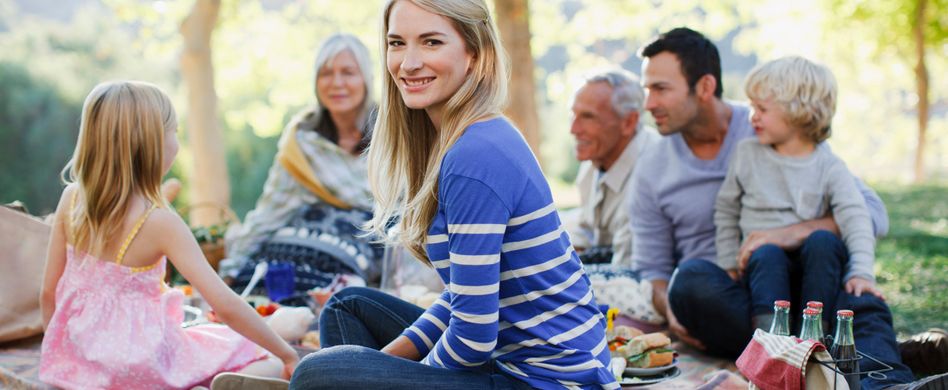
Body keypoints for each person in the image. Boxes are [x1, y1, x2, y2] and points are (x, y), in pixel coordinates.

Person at [288, 1, 617, 389]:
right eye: (397, 43)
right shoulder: (461, 139)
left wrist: (399, 378)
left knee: (317, 374)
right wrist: (381, 365)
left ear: (474, 54)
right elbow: (462, 297)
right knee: (346, 309)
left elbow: (473, 336)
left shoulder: (474, 153)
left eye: (431, 42)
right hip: (506, 360)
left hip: (549, 381)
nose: (408, 63)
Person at [629, 27, 919, 389]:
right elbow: (652, 268)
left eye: (660, 88)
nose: (648, 103)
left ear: (704, 87)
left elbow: (871, 212)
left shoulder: (775, 126)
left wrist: (789, 234)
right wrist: (671, 307)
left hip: (817, 279)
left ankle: (885, 381)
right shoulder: (653, 166)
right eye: (647, 89)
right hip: (741, 295)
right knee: (688, 282)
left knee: (859, 302)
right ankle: (795, 358)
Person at [39, 81, 298, 389]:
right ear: (152, 144)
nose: (177, 140)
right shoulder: (161, 222)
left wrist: (60, 354)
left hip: (80, 364)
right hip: (142, 364)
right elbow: (224, 305)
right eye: (174, 131)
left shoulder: (71, 199)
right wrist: (288, 355)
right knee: (259, 357)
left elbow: (48, 293)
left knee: (208, 338)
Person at [715, 56, 881, 332]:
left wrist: (862, 273)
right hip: (760, 272)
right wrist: (729, 262)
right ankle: (772, 345)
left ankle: (816, 338)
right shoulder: (746, 153)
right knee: (761, 255)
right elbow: (726, 209)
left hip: (813, 275)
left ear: (797, 111)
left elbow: (856, 215)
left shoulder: (829, 166)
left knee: (824, 242)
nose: (751, 115)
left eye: (761, 108)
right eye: (751, 106)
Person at [223, 33, 382, 299]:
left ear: (366, 78)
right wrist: (229, 271)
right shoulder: (301, 139)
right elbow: (270, 211)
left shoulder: (394, 133)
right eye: (326, 74)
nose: (337, 83)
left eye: (348, 72)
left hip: (368, 250)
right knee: (257, 286)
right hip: (297, 246)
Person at [562, 69, 665, 328]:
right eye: (573, 114)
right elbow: (586, 234)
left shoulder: (651, 170)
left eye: (588, 117)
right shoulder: (594, 161)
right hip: (612, 267)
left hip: (646, 285)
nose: (573, 128)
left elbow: (630, 272)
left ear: (629, 122)